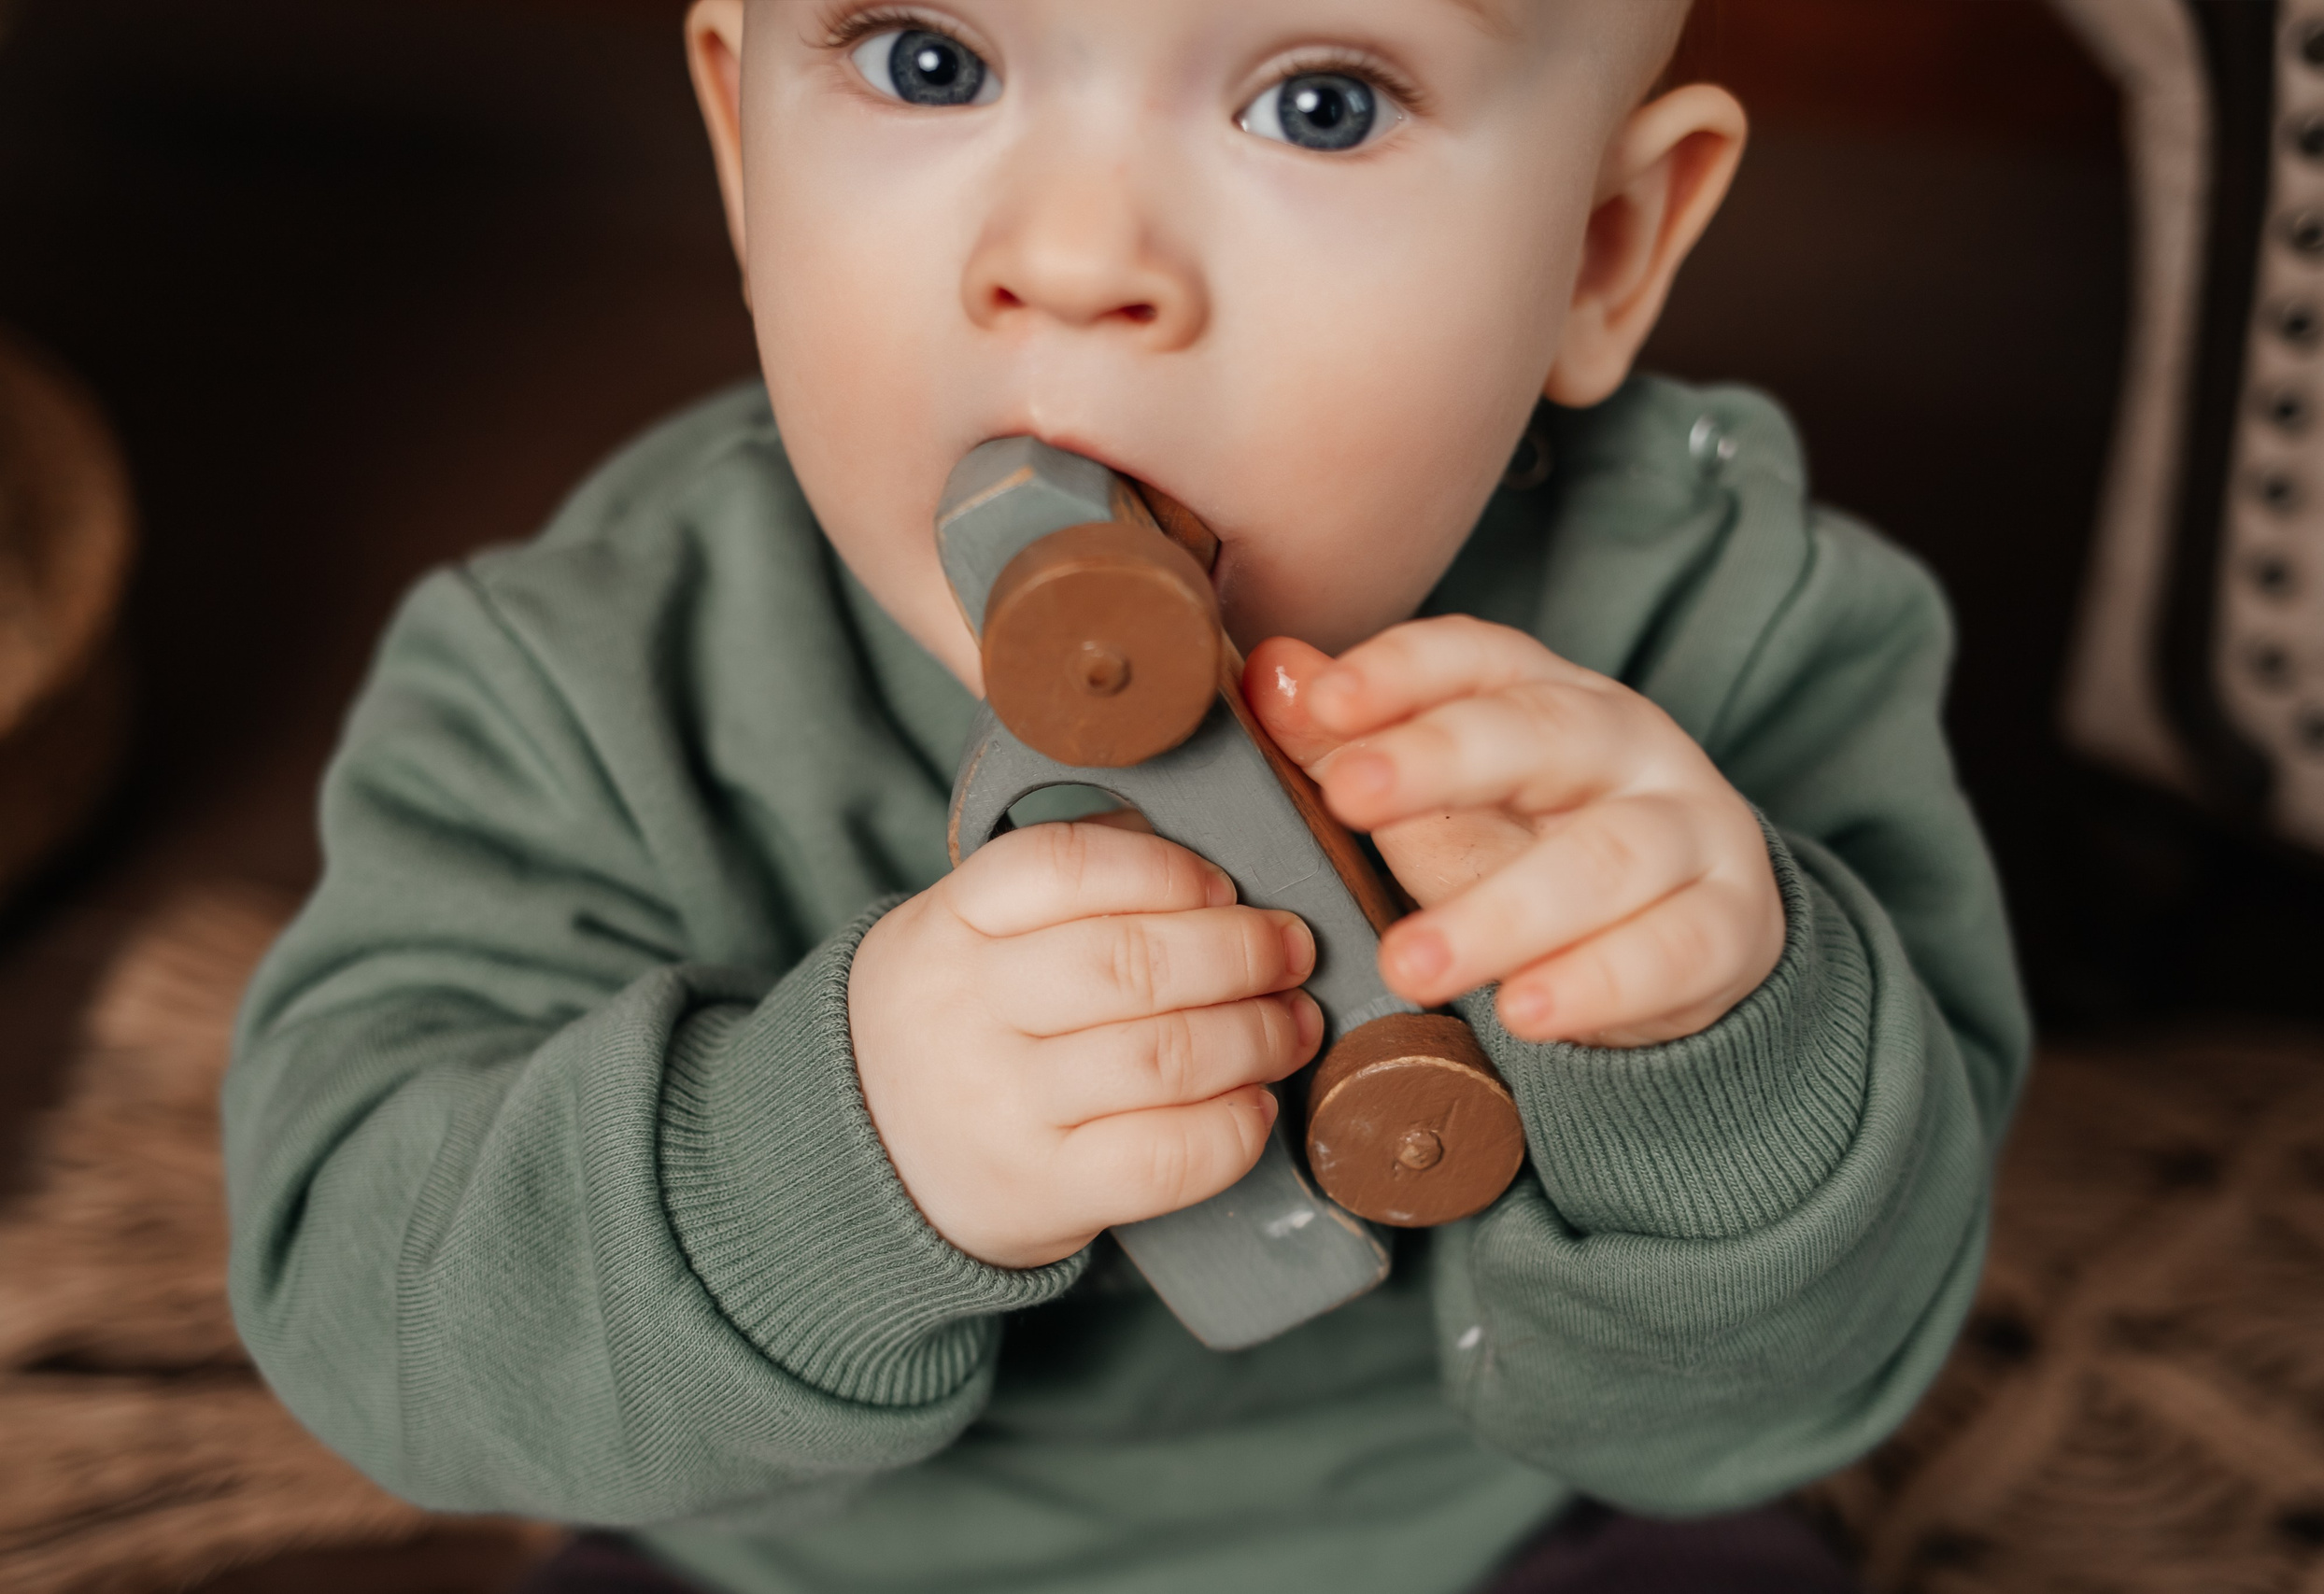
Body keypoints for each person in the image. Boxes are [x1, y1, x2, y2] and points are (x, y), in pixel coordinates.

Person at [222, 1, 2030, 1590]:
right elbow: (364, 1319)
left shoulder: (1731, 635)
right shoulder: (586, 678)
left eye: (1320, 100)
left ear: (1601, 252)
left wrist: (1717, 1053)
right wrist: (828, 1167)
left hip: (1489, 1536)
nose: (1077, 258)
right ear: (739, 143)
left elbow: (1815, 1383)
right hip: (790, 1563)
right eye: (934, 63)